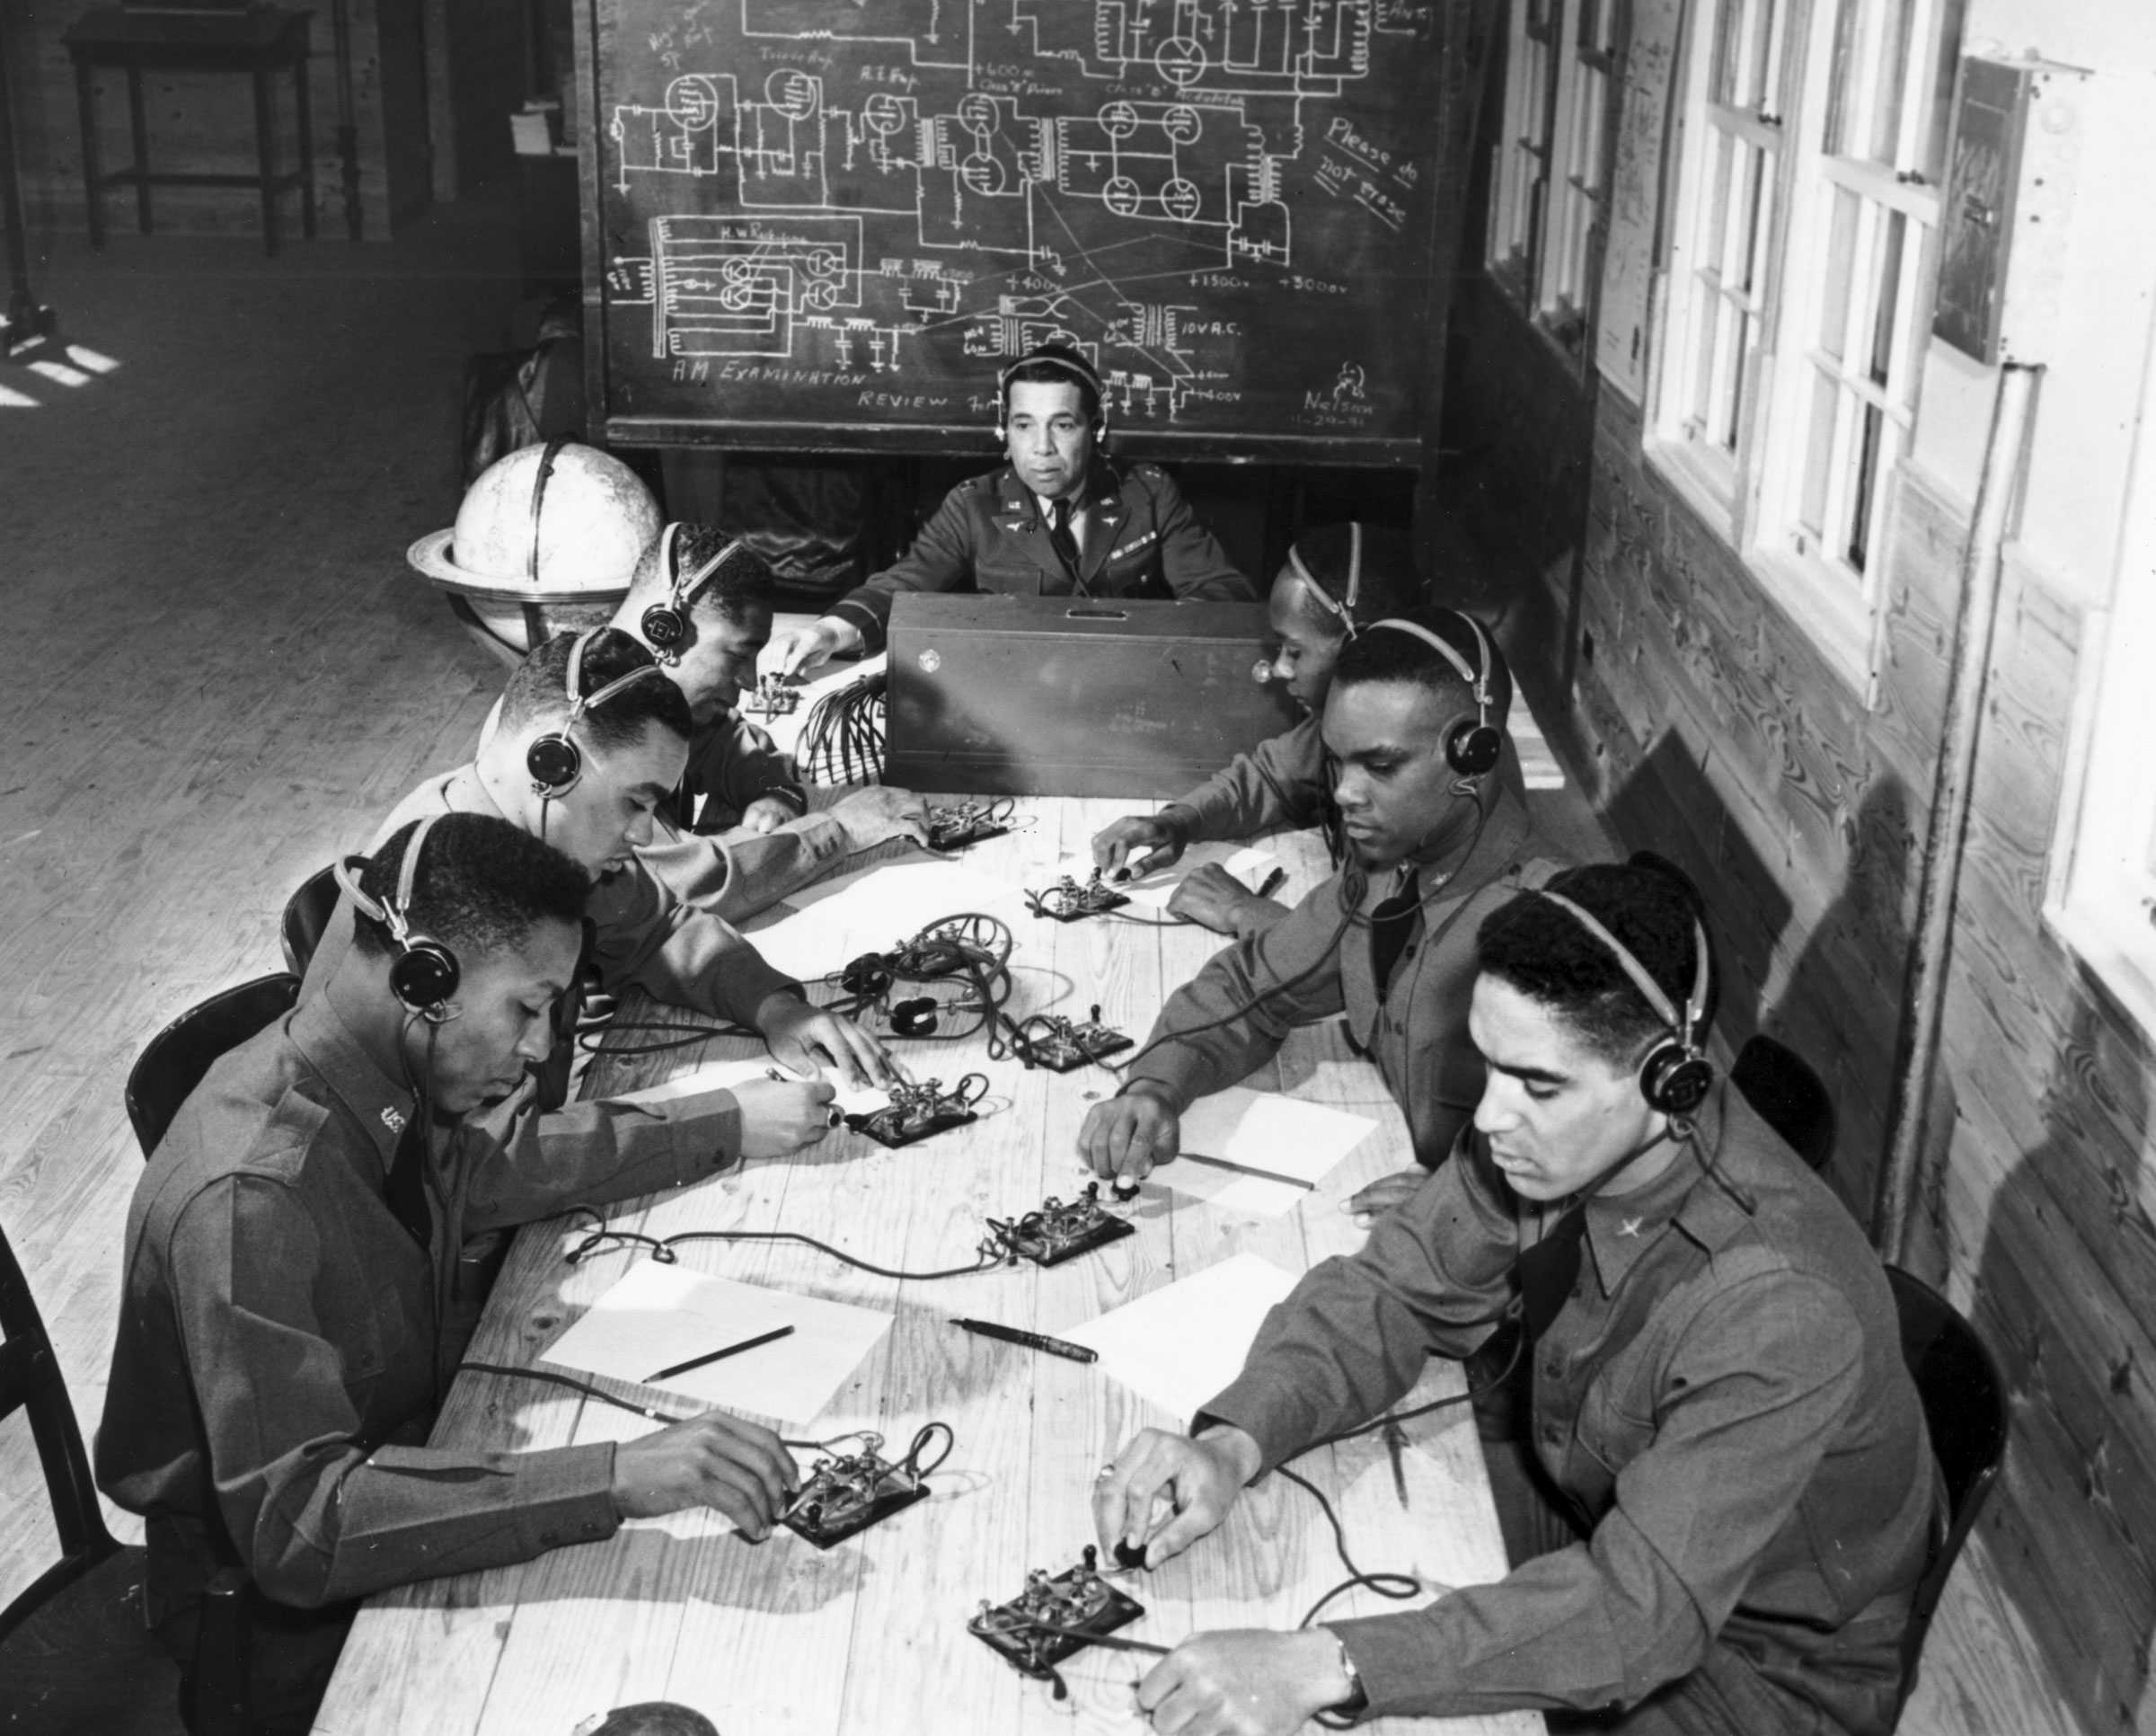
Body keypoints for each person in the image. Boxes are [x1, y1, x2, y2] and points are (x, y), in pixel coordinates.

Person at [1091, 861, 1940, 1736]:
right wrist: (1236, 1442)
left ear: (1667, 1083)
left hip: (1753, 1676)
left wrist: (1332, 1662)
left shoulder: (1780, 1307)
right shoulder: (1563, 1139)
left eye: (1536, 1083)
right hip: (1596, 1507)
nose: (1493, 1117)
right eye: (1491, 1065)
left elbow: (1639, 1615)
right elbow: (1395, 1287)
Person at [98, 814, 815, 1734]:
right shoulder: (251, 1196)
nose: (539, 1046)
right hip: (275, 1624)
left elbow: (486, 1171)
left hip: (407, 1458)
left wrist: (717, 1124)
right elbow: (304, 1530)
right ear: (423, 976)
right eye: (527, 1006)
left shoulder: (377, 1073)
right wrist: (615, 1477)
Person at [303, 627, 893, 1175]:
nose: (641, 835)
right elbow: (474, 1164)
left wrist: (776, 1008)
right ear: (550, 762)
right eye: (633, 803)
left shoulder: (540, 836)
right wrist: (723, 1122)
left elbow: (657, 928)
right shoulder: (449, 898)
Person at [1078, 604, 1569, 1220]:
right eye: (1338, 761)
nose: (1343, 793)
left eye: (1381, 766)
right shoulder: (1382, 870)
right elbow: (1257, 982)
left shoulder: (1554, 925)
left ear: (1473, 754)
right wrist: (1157, 1084)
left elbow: (1625, 1141)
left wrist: (1489, 1197)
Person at [764, 343, 1254, 675]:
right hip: (1017, 689)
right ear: (1004, 431)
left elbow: (1221, 592)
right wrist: (828, 632)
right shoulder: (975, 503)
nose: (1041, 448)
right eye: (1024, 425)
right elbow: (902, 588)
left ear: (1097, 429)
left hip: (1127, 683)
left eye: (1062, 425)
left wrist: (1163, 641)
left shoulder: (1147, 494)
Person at [1090, 520, 1427, 938]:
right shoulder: (1362, 721)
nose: (1280, 670)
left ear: (1361, 649)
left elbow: (1379, 958)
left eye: (1295, 651)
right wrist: (1179, 823)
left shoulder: (1421, 781)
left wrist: (1243, 911)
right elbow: (1269, 777)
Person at [607, 519, 931, 921]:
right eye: (738, 656)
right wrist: (841, 829)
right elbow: (687, 884)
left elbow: (725, 741)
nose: (747, 682)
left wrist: (770, 791)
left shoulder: (637, 693)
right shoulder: (596, 734)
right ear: (665, 629)